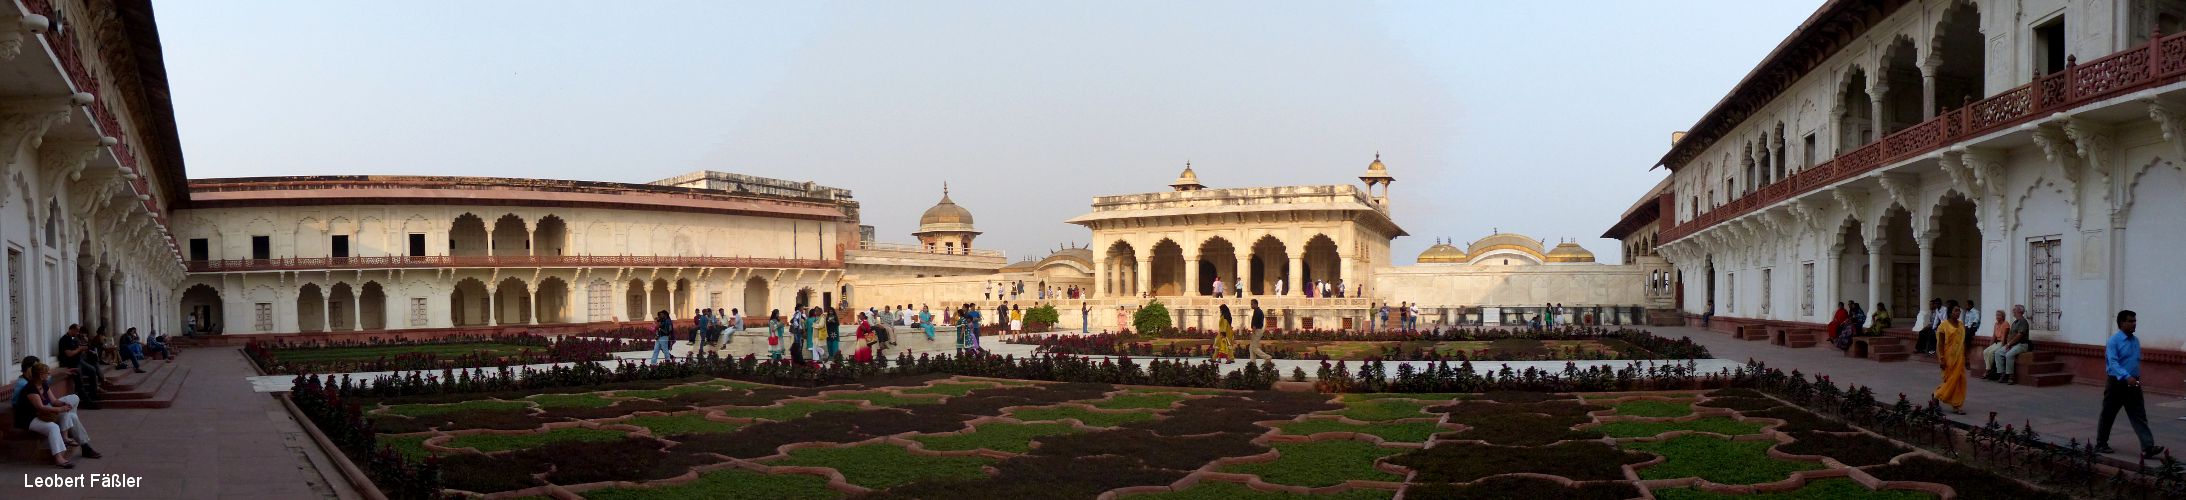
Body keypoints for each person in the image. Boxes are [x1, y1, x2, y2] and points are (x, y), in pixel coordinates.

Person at [2097, 310, 2167, 459]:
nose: (2134, 324)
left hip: (2133, 382)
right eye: (2130, 321)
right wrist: (2126, 376)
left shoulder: (2135, 341)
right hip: (2116, 383)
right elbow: (2113, 363)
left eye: (2135, 321)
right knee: (2108, 414)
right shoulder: (2113, 341)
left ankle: (2148, 447)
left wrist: (2134, 377)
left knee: (2139, 415)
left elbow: (2133, 362)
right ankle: (2101, 443)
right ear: (2122, 323)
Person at [13, 359, 99, 469]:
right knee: (53, 427)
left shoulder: (43, 384)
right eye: (46, 373)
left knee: (70, 414)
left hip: (43, 414)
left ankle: (81, 444)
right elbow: (41, 408)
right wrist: (61, 409)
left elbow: (54, 401)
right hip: (29, 418)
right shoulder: (29, 388)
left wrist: (65, 405)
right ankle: (59, 458)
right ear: (40, 375)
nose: (48, 375)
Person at [1933, 302, 1968, 415]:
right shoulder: (1943, 326)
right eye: (1956, 310)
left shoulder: (1961, 325)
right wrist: (1941, 358)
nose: (1958, 313)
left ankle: (1957, 405)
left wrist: (1966, 358)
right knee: (1950, 381)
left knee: (1959, 381)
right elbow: (1940, 344)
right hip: (1948, 358)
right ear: (1950, 312)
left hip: (1960, 358)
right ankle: (1936, 395)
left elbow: (1963, 343)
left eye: (1959, 311)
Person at [1982, 310, 2024, 383]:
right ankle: (1992, 370)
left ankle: (1988, 370)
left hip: (2002, 342)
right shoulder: (1996, 324)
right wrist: (1990, 345)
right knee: (1986, 351)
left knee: (1992, 352)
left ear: (2003, 316)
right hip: (1998, 342)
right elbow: (1994, 336)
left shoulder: (2006, 324)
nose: (1997, 317)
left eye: (1999, 315)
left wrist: (2006, 345)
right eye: (1996, 315)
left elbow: (2005, 337)